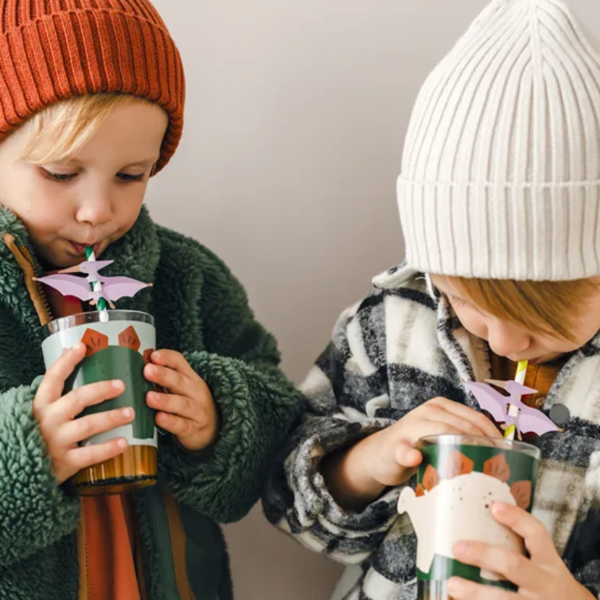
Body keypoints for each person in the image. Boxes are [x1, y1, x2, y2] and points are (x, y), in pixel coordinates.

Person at [263, 0, 600, 598]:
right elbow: (288, 505)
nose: (502, 340)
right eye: (468, 301)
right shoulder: (391, 327)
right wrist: (367, 462)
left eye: (543, 315)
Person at [0, 1, 302, 599]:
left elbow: (280, 424)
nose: (97, 211)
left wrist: (218, 418)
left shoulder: (184, 275)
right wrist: (27, 453)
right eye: (61, 174)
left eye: (130, 175)